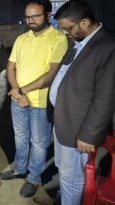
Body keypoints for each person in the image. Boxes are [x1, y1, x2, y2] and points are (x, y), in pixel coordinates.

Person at [0, 0, 68, 197]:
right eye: (28, 16)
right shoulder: (21, 39)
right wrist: (17, 91)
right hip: (18, 99)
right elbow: (11, 67)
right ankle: (20, 169)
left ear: (47, 14)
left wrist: (23, 91)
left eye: (36, 15)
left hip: (40, 102)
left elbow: (51, 73)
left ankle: (34, 178)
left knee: (38, 141)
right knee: (20, 137)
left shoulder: (59, 39)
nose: (31, 20)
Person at [49, 1, 115, 204]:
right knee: (64, 169)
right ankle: (65, 198)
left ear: (85, 22)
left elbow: (105, 97)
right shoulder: (79, 41)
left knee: (73, 177)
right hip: (63, 121)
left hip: (79, 129)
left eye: (67, 28)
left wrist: (88, 135)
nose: (65, 33)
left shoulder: (108, 47)